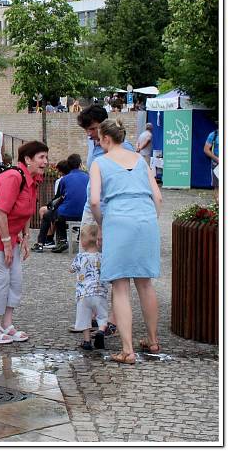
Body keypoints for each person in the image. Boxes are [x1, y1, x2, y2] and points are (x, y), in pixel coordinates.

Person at [89, 119, 162, 365]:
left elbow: (96, 202)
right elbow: (158, 197)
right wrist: (149, 219)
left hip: (118, 220)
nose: (98, 143)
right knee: (145, 283)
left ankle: (127, 350)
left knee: (120, 287)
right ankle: (152, 340)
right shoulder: (141, 160)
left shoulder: (99, 162)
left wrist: (102, 224)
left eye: (99, 139)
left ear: (106, 139)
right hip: (146, 219)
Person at [0, 140, 48, 344]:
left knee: (15, 279)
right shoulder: (13, 177)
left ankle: (6, 323)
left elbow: (26, 209)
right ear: (28, 159)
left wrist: (24, 236)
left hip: (9, 233)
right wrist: (6, 243)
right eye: (41, 157)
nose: (45, 162)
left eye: (46, 157)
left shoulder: (34, 179)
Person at [69, 224, 109, 351]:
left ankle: (87, 341)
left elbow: (71, 269)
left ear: (83, 241)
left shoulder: (80, 257)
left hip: (83, 294)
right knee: (102, 316)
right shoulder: (102, 257)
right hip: (99, 292)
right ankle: (101, 332)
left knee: (84, 318)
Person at [49, 153, 89, 253]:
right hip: (84, 213)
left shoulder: (64, 179)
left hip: (66, 214)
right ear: (80, 164)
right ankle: (81, 237)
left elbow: (59, 197)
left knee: (59, 212)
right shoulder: (88, 177)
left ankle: (62, 241)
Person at [32, 160, 70, 252]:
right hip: (80, 210)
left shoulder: (61, 180)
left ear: (60, 171)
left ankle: (46, 240)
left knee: (45, 212)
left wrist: (50, 206)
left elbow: (58, 198)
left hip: (64, 209)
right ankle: (56, 239)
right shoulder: (85, 177)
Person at [204, 127, 219, 200]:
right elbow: (206, 150)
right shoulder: (213, 135)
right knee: (217, 187)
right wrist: (218, 159)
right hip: (217, 164)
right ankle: (218, 209)